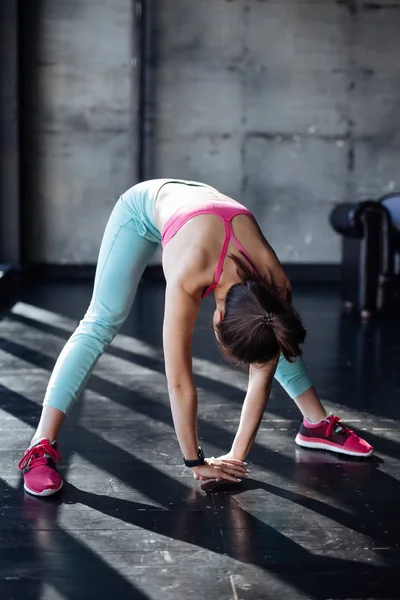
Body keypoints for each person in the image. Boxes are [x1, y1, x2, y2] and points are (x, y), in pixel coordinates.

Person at [18, 179, 373, 496]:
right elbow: (179, 383)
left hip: (207, 215)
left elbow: (263, 371)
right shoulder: (189, 274)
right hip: (143, 208)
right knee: (102, 321)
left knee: (272, 333)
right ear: (217, 317)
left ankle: (315, 423)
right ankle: (40, 445)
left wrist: (236, 456)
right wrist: (195, 461)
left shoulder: (276, 285)